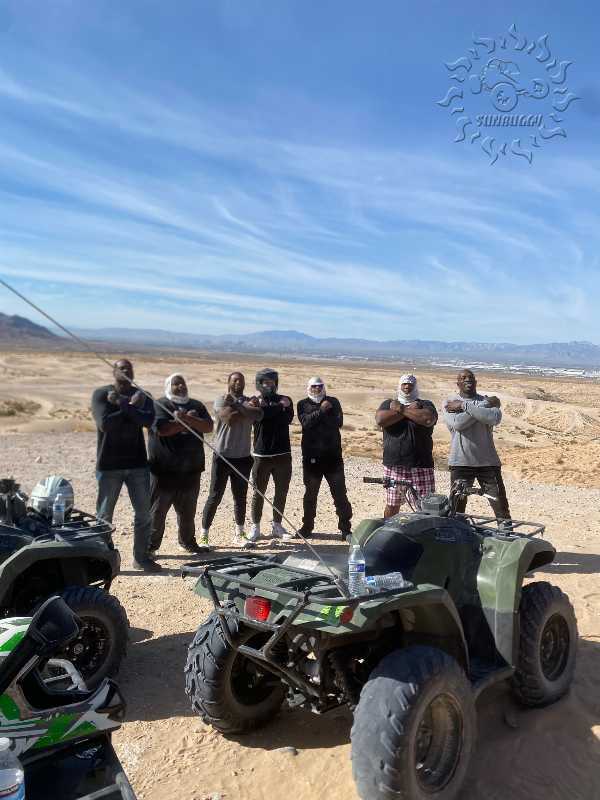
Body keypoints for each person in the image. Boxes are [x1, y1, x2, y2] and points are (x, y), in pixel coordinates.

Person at [91, 358, 160, 572]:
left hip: (137, 464)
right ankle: (101, 560)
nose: (126, 371)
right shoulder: (101, 394)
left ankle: (141, 558)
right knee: (104, 516)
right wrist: (129, 406)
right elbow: (105, 424)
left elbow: (147, 421)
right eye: (122, 368)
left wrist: (121, 405)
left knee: (144, 514)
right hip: (109, 465)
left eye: (129, 368)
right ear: (114, 372)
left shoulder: (143, 395)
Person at [148, 373, 214, 556]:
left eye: (183, 383)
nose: (181, 386)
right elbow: (163, 429)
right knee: (157, 512)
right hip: (164, 471)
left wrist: (187, 419)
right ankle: (150, 547)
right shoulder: (160, 405)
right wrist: (188, 421)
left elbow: (208, 427)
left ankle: (187, 542)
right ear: (168, 386)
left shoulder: (197, 405)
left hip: (191, 470)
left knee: (188, 512)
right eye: (176, 384)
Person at [200, 372, 263, 549]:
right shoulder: (221, 400)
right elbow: (229, 419)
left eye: (241, 380)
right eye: (235, 380)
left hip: (243, 457)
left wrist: (236, 405)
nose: (238, 383)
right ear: (228, 382)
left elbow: (258, 415)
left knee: (240, 497)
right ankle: (204, 535)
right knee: (215, 496)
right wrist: (246, 409)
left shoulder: (243, 401)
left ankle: (239, 533)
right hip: (223, 456)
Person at [444, 369, 511, 521]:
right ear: (458, 383)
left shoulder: (467, 403)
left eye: (470, 377)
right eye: (463, 377)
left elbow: (494, 418)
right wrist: (484, 405)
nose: (467, 379)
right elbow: (458, 423)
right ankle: (458, 534)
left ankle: (506, 531)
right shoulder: (449, 403)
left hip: (488, 462)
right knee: (457, 508)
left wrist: (464, 406)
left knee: (501, 506)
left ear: (475, 382)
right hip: (460, 462)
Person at [297, 376, 352, 539]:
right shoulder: (302, 404)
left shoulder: (333, 401)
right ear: (309, 387)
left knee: (340, 494)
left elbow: (338, 422)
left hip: (333, 457)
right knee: (310, 495)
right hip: (312, 459)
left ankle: (345, 528)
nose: (317, 389)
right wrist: (322, 411)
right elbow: (306, 423)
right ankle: (307, 527)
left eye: (320, 386)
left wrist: (320, 415)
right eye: (314, 386)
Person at [375, 374, 438, 518]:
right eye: (404, 384)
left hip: (421, 465)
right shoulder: (388, 403)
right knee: (392, 504)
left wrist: (401, 410)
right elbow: (380, 420)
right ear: (399, 385)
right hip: (394, 465)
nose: (407, 386)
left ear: (416, 387)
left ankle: (425, 531)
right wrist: (410, 410)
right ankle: (388, 529)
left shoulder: (425, 404)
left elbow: (428, 419)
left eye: (410, 384)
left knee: (426, 507)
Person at [249, 368, 294, 543]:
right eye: (266, 382)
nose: (269, 385)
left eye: (272, 382)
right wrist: (280, 407)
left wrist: (270, 410)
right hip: (262, 455)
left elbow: (286, 419)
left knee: (281, 492)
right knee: (258, 492)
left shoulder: (287, 399)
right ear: (259, 383)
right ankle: (255, 527)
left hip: (283, 453)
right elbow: (262, 417)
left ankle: (277, 525)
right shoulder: (255, 402)